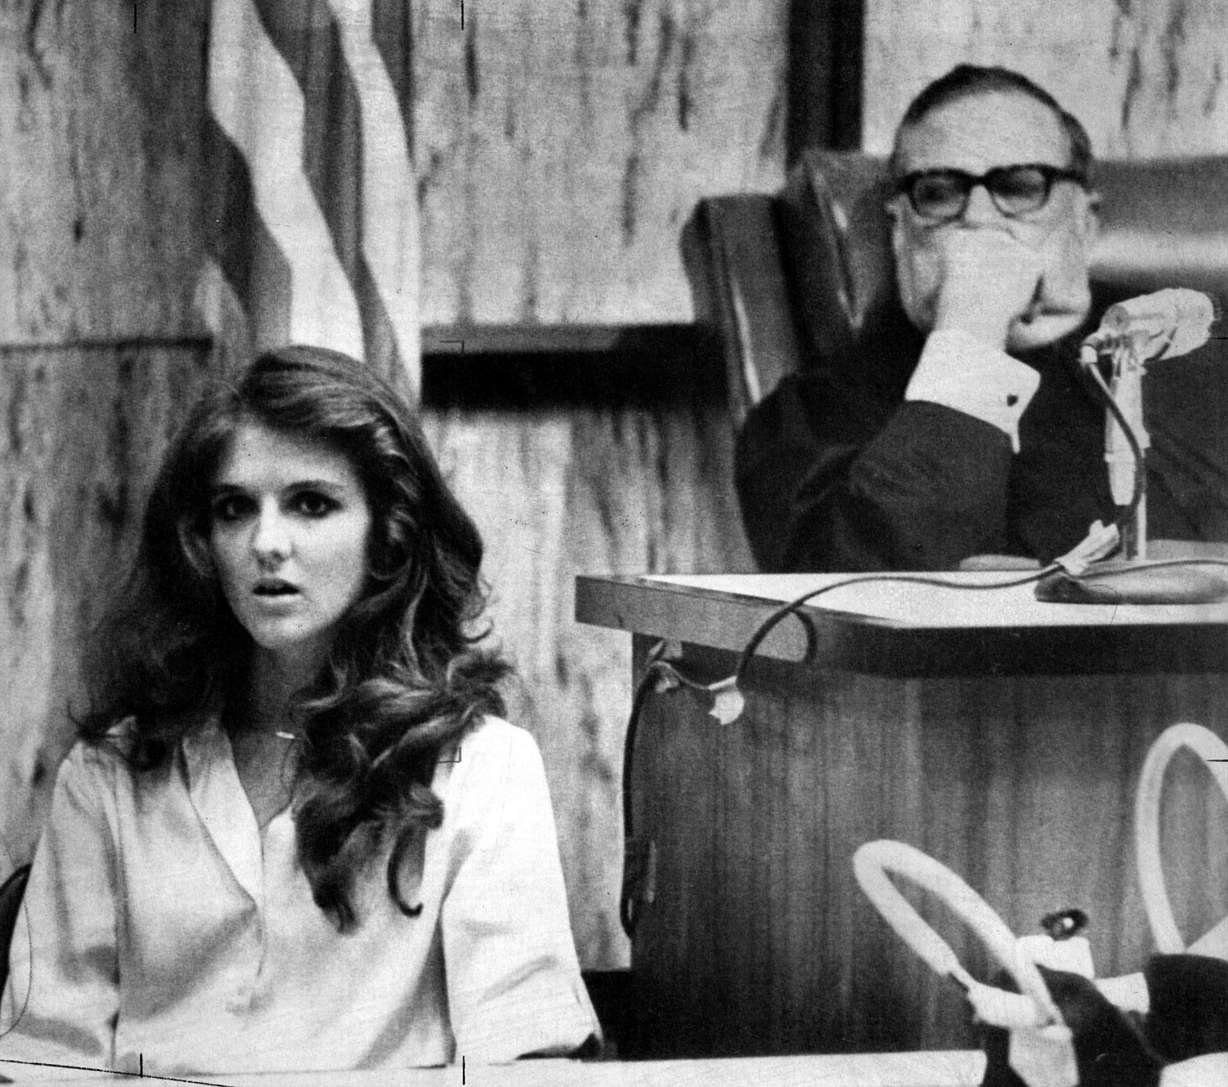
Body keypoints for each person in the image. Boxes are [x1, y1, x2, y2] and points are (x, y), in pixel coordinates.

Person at [0, 347, 599, 1074]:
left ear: (388, 533)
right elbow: (43, 1062)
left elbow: (527, 1063)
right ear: (200, 540)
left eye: (312, 503)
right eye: (234, 508)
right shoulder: (112, 774)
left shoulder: (481, 769)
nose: (266, 543)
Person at [736, 65, 1228, 572]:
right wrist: (970, 329)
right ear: (899, 231)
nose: (978, 217)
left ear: (1085, 223)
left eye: (1019, 186)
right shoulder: (809, 412)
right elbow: (862, 607)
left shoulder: (1205, 353)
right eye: (939, 193)